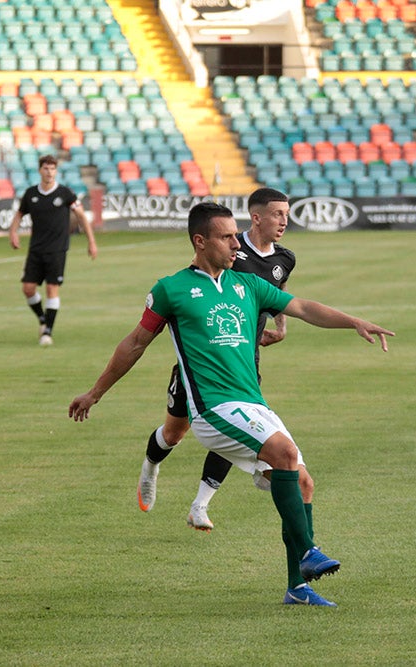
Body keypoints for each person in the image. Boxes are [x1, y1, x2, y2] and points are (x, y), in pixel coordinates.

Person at [68, 202, 393, 607]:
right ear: (200, 242)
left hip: (252, 401)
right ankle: (308, 552)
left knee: (302, 482)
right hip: (212, 409)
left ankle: (298, 588)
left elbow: (304, 308)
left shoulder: (247, 285)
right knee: (284, 453)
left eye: (236, 235)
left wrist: (354, 321)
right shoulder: (172, 289)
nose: (236, 243)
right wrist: (94, 392)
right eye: (226, 237)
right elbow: (134, 343)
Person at [136, 188, 300, 532]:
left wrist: (280, 328)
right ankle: (151, 465)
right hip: (199, 365)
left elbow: (281, 297)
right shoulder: (230, 249)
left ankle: (200, 505)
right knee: (173, 433)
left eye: (287, 214)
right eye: (278, 214)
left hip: (243, 361)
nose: (284, 221)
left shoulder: (284, 259)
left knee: (237, 428)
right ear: (257, 217)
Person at [9, 154, 97, 346]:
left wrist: (91, 241)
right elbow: (19, 214)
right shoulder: (31, 193)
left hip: (57, 250)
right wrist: (13, 233)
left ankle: (47, 331)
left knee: (51, 288)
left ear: (56, 171)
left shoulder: (65, 193)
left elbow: (81, 216)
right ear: (40, 170)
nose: (49, 172)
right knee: (28, 289)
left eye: (52, 169)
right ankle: (42, 318)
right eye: (46, 168)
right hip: (35, 249)